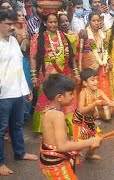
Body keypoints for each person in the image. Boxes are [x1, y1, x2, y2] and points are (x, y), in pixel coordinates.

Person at [40, 74, 102, 179]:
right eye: (70, 94)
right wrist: (90, 142)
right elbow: (62, 146)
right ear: (59, 97)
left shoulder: (47, 111)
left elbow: (54, 141)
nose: (73, 97)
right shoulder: (57, 115)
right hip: (57, 166)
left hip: (48, 162)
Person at [0, 9, 38, 176]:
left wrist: (26, 88)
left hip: (17, 91)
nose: (12, 28)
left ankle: (20, 153)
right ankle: (0, 163)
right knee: (1, 130)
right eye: (8, 24)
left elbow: (19, 67)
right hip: (3, 95)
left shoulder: (14, 41)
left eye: (13, 24)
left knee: (17, 125)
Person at [30, 13, 79, 134]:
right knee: (47, 98)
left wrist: (76, 73)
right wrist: (34, 76)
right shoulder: (38, 38)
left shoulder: (64, 36)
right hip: (46, 74)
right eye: (50, 22)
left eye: (55, 22)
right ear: (45, 23)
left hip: (64, 73)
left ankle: (68, 125)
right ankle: (46, 128)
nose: (53, 24)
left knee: (66, 97)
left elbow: (71, 56)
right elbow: (33, 57)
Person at [74, 68, 113, 160]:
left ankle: (89, 155)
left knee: (97, 142)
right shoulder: (83, 93)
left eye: (97, 79)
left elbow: (110, 102)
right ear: (85, 83)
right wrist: (94, 104)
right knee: (78, 145)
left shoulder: (99, 91)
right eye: (92, 80)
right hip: (80, 122)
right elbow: (81, 110)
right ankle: (72, 161)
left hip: (90, 121)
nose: (96, 82)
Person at [80, 12, 112, 99]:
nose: (96, 23)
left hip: (101, 66)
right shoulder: (85, 33)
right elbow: (79, 52)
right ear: (89, 22)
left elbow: (105, 50)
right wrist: (79, 69)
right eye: (93, 20)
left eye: (98, 20)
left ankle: (103, 107)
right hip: (89, 66)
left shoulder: (103, 34)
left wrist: (108, 60)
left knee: (102, 86)